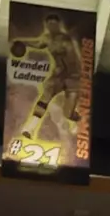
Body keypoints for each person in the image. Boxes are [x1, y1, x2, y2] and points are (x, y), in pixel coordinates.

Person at [10, 12, 84, 147]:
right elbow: (37, 43)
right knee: (44, 98)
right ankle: (29, 128)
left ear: (58, 25)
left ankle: (78, 122)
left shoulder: (66, 40)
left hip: (73, 76)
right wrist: (20, 41)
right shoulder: (47, 38)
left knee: (68, 113)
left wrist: (72, 72)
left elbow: (75, 59)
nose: (51, 27)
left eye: (53, 24)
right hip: (58, 76)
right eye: (48, 24)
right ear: (46, 25)